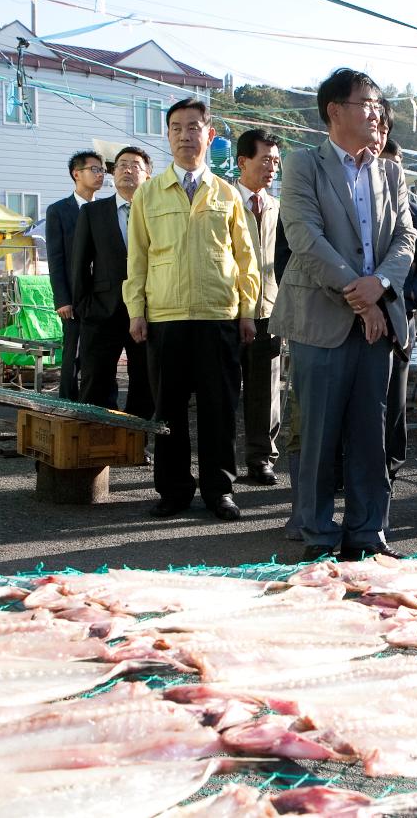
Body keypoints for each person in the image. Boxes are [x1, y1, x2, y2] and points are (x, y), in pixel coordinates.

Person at [270, 68, 415, 562]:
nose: (377, 113)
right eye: (367, 103)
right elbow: (305, 238)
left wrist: (380, 289)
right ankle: (316, 532)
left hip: (378, 321)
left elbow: (406, 239)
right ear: (335, 111)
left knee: (371, 434)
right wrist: (361, 296)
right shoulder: (302, 164)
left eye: (378, 105)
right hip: (322, 320)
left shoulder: (391, 170)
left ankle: (368, 533)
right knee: (317, 432)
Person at [123, 98, 260, 522]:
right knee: (168, 411)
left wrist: (248, 310)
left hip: (218, 315)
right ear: (168, 136)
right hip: (165, 318)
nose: (186, 135)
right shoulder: (148, 193)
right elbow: (138, 258)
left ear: (209, 134)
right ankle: (174, 490)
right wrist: (136, 310)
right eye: (177, 128)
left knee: (220, 410)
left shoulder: (227, 194)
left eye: (194, 127)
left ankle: (220, 491)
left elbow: (245, 257)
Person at [373, 119, 417, 486]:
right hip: (354, 312)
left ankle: (391, 464)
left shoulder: (415, 212)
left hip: (400, 313)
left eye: (394, 163)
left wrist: (412, 293)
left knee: (394, 398)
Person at [69, 146, 154, 420]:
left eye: (135, 166)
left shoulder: (158, 212)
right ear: (112, 173)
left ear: (148, 176)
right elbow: (79, 264)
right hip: (102, 309)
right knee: (95, 380)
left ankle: (135, 443)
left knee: (144, 381)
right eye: (121, 165)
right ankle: (93, 444)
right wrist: (83, 306)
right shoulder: (93, 212)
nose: (127, 170)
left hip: (148, 309)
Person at [235, 130, 284, 487]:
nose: (272, 168)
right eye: (265, 159)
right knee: (221, 389)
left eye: (276, 162)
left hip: (269, 310)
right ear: (243, 161)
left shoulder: (280, 207)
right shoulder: (223, 201)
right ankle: (219, 459)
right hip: (226, 310)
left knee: (266, 389)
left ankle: (261, 457)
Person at [46, 150, 105, 400]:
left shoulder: (107, 209)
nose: (100, 174)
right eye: (94, 169)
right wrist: (62, 299)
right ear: (76, 174)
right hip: (73, 296)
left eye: (102, 170)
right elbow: (56, 258)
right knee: (73, 353)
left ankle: (96, 403)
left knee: (100, 355)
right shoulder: (59, 211)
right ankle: (68, 403)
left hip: (103, 294)